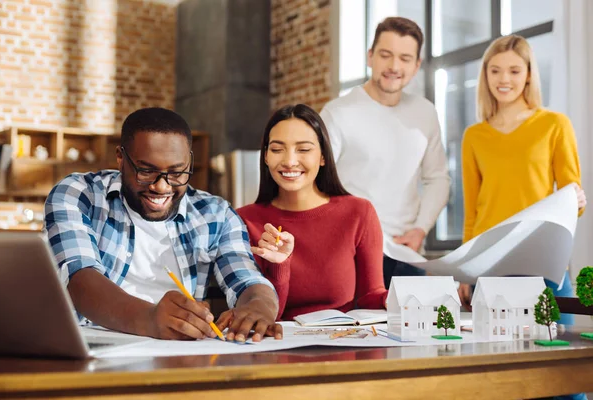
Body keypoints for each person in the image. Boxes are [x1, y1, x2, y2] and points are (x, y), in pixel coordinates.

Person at [43, 107, 281, 343]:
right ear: (120, 158)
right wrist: (149, 318)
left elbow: (246, 278)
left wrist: (260, 306)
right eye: (146, 171)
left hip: (176, 354)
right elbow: (79, 278)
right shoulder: (79, 195)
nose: (161, 187)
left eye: (177, 173)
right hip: (92, 347)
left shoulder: (216, 215)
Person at [461, 35, 587, 325]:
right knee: (491, 360)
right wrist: (466, 271)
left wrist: (576, 201)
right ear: (486, 75)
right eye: (495, 70)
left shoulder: (554, 125)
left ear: (529, 74)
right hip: (489, 262)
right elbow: (472, 213)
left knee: (558, 358)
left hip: (542, 257)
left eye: (514, 70)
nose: (503, 79)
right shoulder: (474, 136)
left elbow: (574, 201)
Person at [320, 17, 450, 288]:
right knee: (349, 331)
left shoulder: (425, 112)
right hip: (350, 253)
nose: (394, 66)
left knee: (413, 330)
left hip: (407, 254)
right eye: (385, 55)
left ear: (417, 65)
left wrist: (420, 229)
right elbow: (317, 182)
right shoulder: (338, 113)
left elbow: (438, 178)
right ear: (370, 56)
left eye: (404, 58)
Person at [237, 104, 388, 320]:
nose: (289, 161)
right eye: (277, 149)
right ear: (266, 157)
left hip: (343, 344)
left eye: (304, 149)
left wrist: (407, 299)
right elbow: (263, 317)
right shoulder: (244, 221)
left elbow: (370, 297)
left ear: (323, 157)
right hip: (275, 346)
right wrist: (279, 266)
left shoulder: (359, 213)